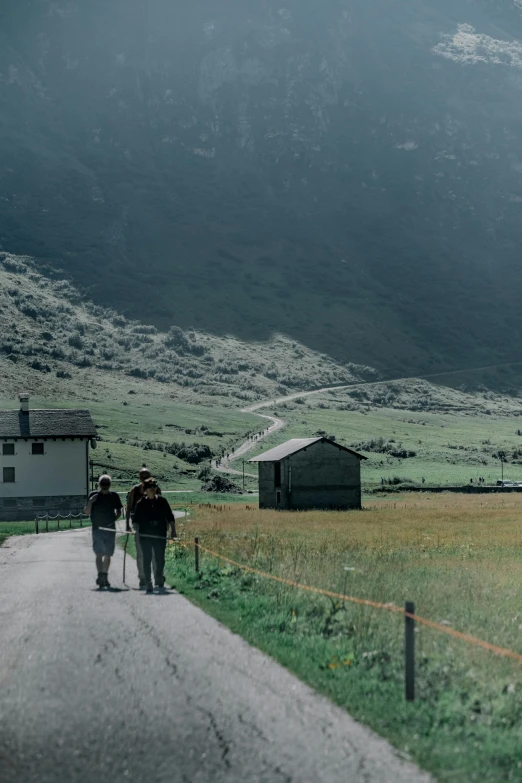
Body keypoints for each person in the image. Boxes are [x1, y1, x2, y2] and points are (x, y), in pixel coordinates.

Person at [133, 478, 176, 593]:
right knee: (147, 559)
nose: (152, 488)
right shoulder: (141, 504)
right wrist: (135, 527)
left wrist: (173, 531)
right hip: (145, 536)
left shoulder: (162, 501)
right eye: (149, 486)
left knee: (160, 559)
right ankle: (148, 582)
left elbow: (170, 517)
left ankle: (158, 576)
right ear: (145, 490)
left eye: (154, 486)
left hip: (160, 535)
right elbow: (135, 520)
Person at [84, 475, 123, 589]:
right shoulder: (93, 495)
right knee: (99, 553)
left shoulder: (114, 496)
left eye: (107, 484)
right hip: (97, 529)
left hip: (110, 529)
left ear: (110, 485)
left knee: (108, 554)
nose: (105, 487)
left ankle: (104, 575)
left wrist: (112, 521)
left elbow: (119, 511)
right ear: (99, 485)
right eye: (103, 484)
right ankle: (101, 575)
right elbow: (86, 512)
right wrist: (91, 502)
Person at [126, 467, 162, 589]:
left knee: (154, 553)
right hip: (139, 526)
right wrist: (127, 525)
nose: (144, 478)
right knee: (141, 553)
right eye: (142, 476)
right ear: (139, 477)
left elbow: (161, 505)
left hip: (154, 526)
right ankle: (142, 577)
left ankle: (157, 577)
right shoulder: (134, 490)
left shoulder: (156, 489)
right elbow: (129, 507)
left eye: (146, 476)